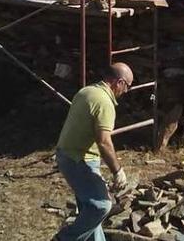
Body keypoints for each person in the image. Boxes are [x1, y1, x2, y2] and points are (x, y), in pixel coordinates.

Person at [54, 63, 134, 241]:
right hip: (78, 159)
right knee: (101, 206)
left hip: (67, 154)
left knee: (89, 208)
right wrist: (118, 171)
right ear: (119, 82)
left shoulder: (87, 91)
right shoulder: (104, 102)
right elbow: (104, 142)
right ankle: (64, 238)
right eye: (127, 85)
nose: (127, 91)